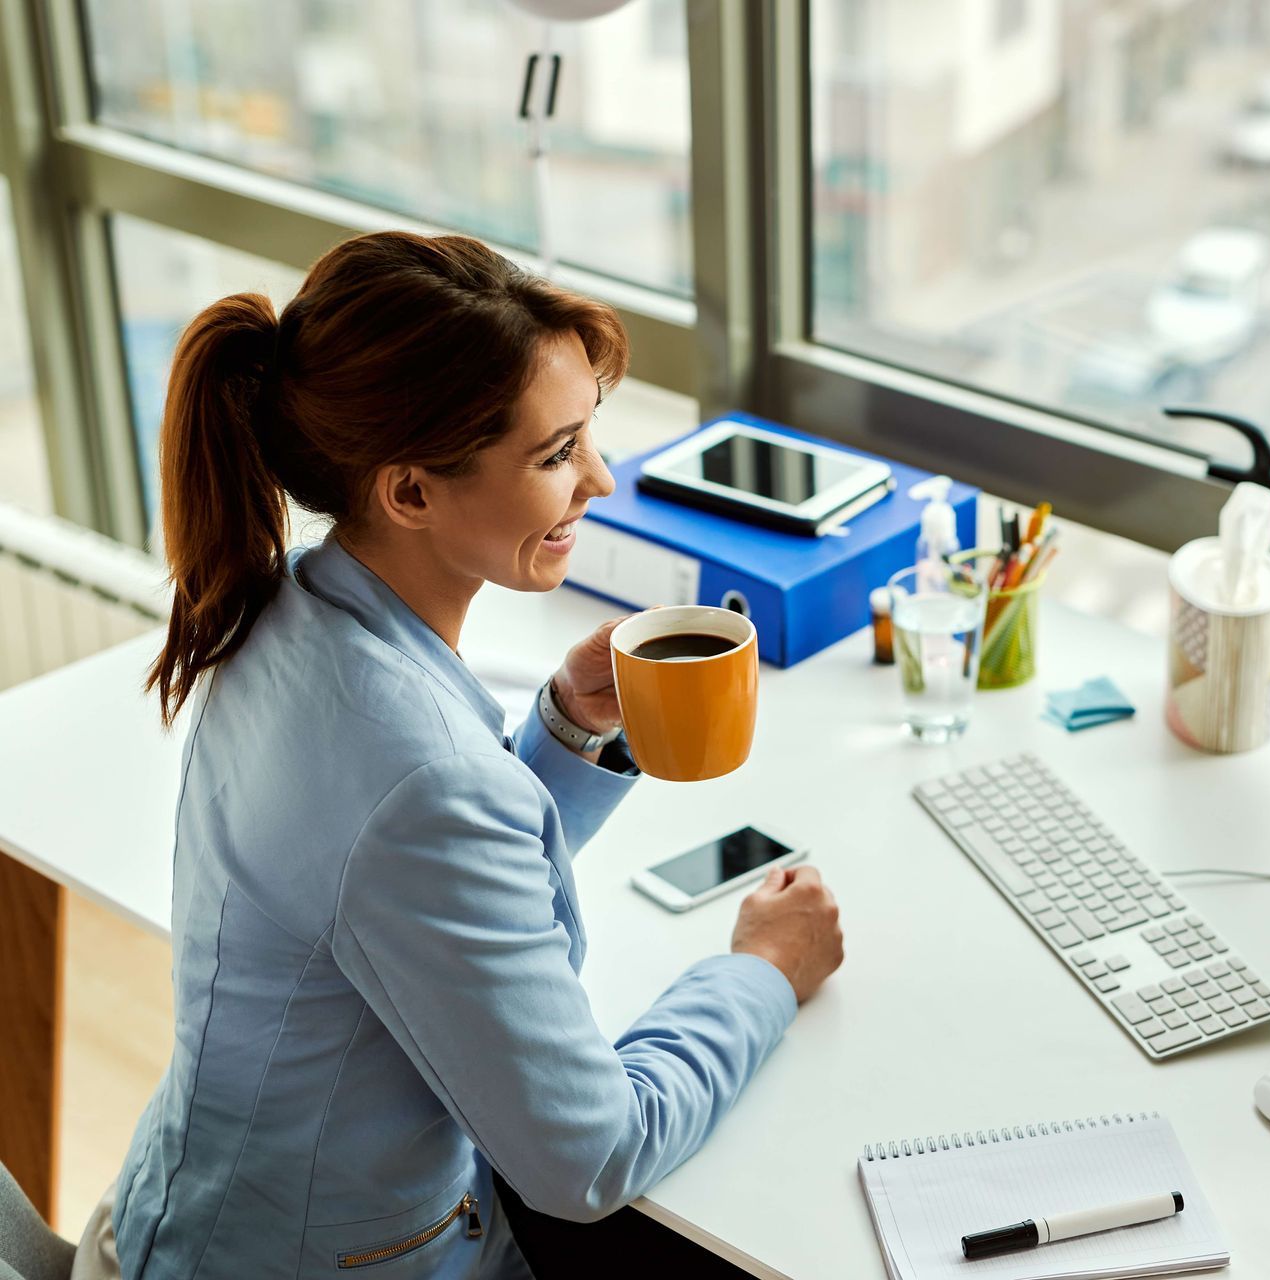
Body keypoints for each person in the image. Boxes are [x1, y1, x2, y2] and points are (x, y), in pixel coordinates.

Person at [75, 231, 844, 1279]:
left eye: (589, 436)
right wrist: (762, 970)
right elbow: (591, 1153)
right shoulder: (421, 776)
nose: (603, 479)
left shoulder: (293, 608)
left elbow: (405, 881)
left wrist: (567, 729)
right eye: (556, 453)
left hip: (194, 1211)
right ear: (410, 492)